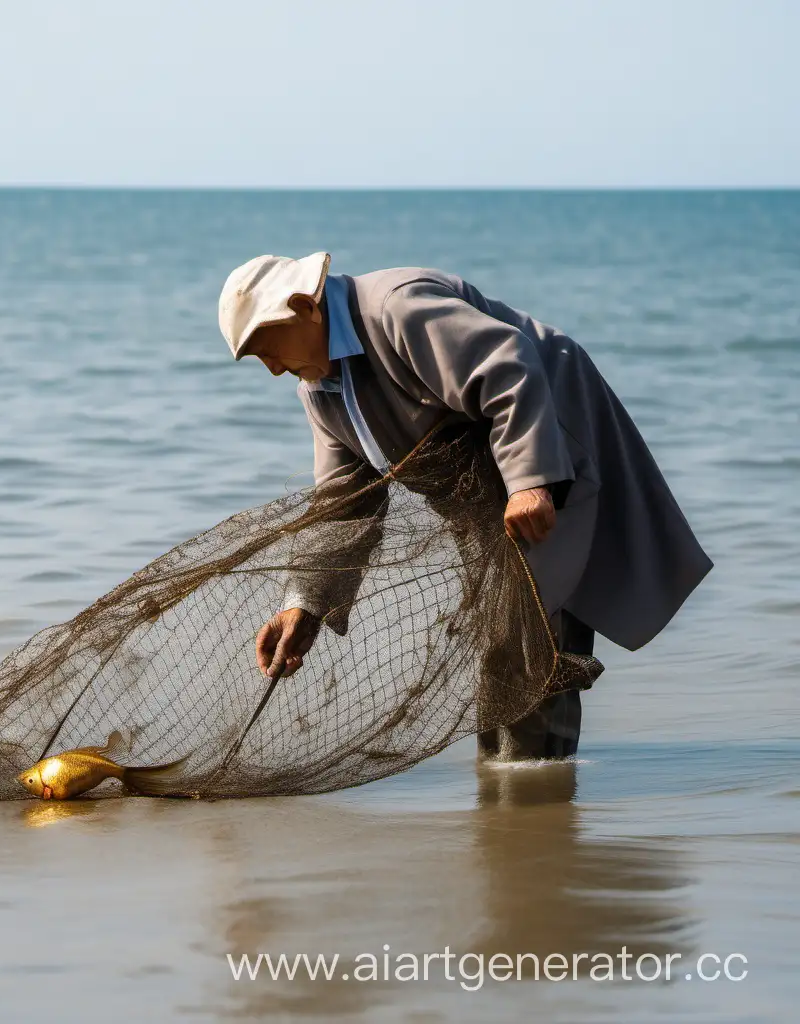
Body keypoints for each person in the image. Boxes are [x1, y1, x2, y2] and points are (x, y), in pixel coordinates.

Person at [217, 252, 712, 760]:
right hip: (486, 486)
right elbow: (346, 499)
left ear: (306, 306)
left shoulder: (397, 309)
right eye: (259, 359)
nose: (273, 369)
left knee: (533, 628)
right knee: (497, 636)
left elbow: (506, 366)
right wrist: (305, 601)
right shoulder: (319, 387)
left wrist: (530, 479)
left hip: (553, 439)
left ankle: (535, 788)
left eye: (267, 348)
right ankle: (507, 785)